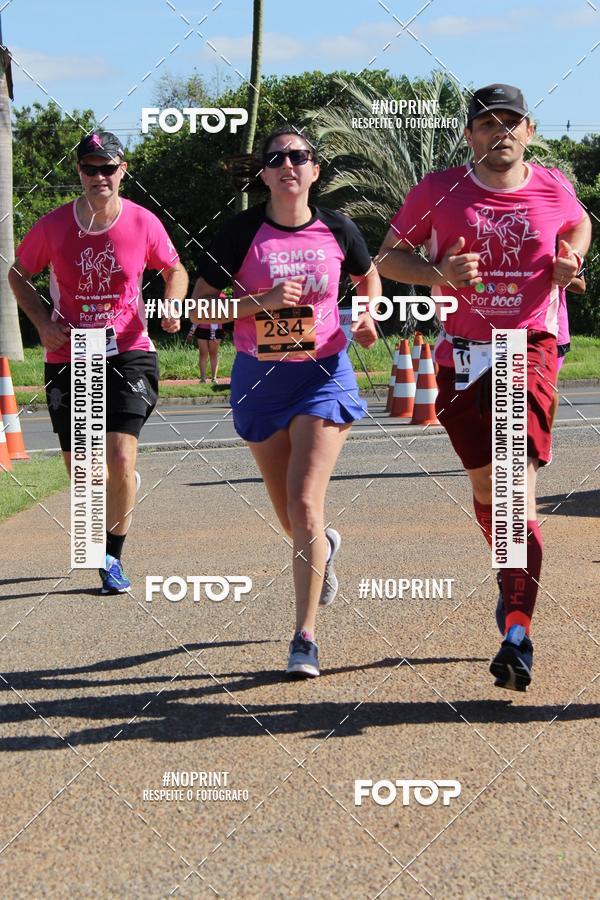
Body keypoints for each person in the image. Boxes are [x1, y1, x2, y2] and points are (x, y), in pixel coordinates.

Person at [376, 84, 591, 691]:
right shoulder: (437, 190)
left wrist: (570, 261)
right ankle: (510, 581)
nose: (500, 133)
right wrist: (438, 271)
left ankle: (518, 630)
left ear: (528, 132)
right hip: (460, 353)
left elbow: (578, 227)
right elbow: (389, 256)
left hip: (528, 346)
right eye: (487, 124)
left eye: (511, 124)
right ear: (469, 133)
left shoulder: (553, 186)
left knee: (513, 489)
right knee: (489, 490)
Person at [190, 127, 380, 677]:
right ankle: (323, 546)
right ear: (265, 174)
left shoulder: (338, 229)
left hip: (323, 374)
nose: (288, 165)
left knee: (302, 503)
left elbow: (368, 281)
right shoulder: (241, 232)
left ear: (315, 170)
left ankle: (304, 637)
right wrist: (261, 301)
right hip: (258, 378)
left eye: (299, 157)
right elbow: (206, 307)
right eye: (277, 159)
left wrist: (365, 316)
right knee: (290, 516)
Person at [9, 131, 188, 594]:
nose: (99, 176)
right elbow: (16, 273)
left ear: (122, 170)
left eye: (108, 167)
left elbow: (174, 269)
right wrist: (41, 324)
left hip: (129, 350)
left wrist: (172, 303)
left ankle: (111, 558)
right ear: (79, 172)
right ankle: (116, 486)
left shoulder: (143, 223)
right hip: (71, 352)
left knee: (120, 455)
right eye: (90, 168)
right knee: (85, 474)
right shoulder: (52, 227)